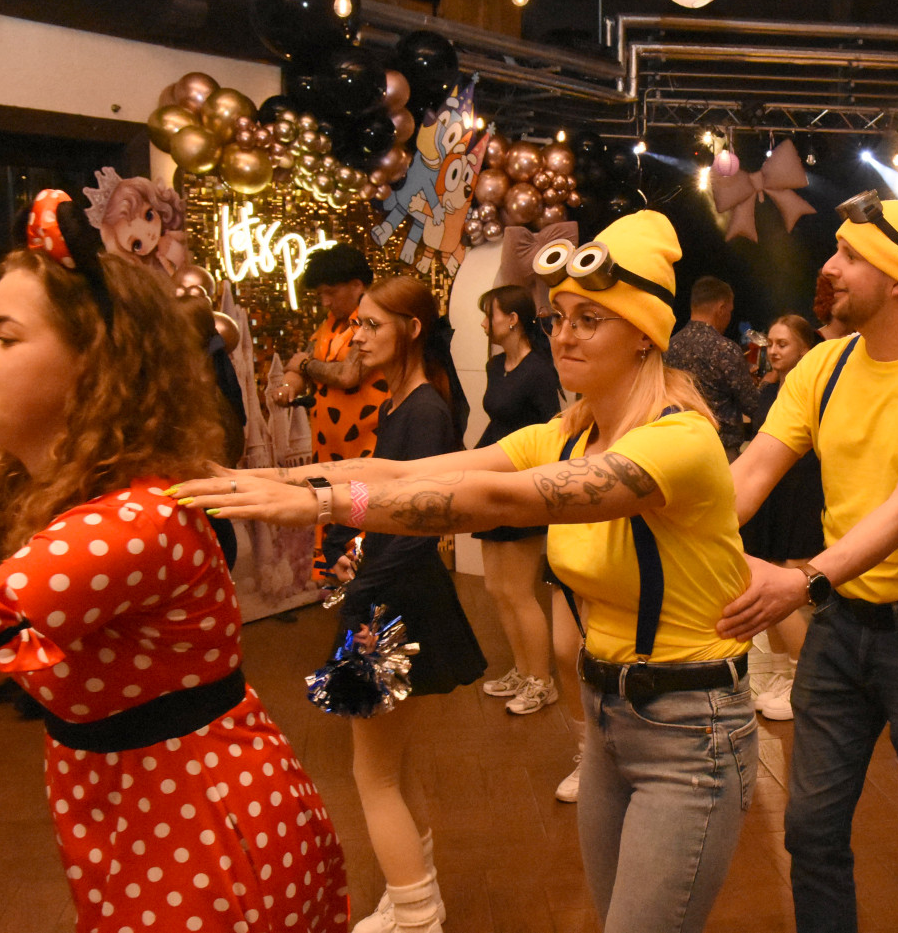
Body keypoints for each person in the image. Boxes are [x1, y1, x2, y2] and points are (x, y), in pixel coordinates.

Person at [170, 210, 757, 933]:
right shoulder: (570, 434)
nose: (564, 335)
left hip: (690, 726)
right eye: (559, 318)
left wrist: (325, 504)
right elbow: (407, 470)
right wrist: (269, 480)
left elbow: (493, 498)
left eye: (590, 320)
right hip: (608, 714)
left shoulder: (680, 440)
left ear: (644, 333)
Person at [0, 230, 349, 932]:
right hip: (128, 818)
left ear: (96, 365)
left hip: (205, 837)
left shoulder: (132, 523)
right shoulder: (19, 482)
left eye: (6, 337)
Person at [724, 190, 898, 933]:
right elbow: (749, 476)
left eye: (850, 255)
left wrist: (804, 578)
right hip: (841, 628)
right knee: (809, 829)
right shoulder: (823, 365)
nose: (829, 266)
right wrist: (669, 538)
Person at [330, 275, 486, 933]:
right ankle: (414, 898)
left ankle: (418, 914)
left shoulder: (424, 410)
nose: (357, 337)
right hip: (386, 593)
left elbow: (422, 525)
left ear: (412, 329)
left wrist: (361, 584)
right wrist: (354, 547)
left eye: (371, 325)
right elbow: (384, 501)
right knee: (391, 766)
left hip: (390, 606)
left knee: (374, 775)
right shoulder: (401, 406)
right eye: (357, 324)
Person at [275, 244, 391, 581]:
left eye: (330, 292)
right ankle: (338, 585)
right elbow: (300, 361)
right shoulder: (329, 325)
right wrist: (290, 383)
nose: (325, 301)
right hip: (329, 447)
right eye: (320, 295)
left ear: (357, 285)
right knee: (331, 518)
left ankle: (362, 587)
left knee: (361, 522)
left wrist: (305, 366)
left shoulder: (371, 322)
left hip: (365, 443)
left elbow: (347, 375)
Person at [472, 284, 563, 716]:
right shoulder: (495, 365)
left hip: (524, 486)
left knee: (520, 590)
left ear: (511, 320)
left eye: (489, 314)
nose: (483, 323)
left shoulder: (540, 370)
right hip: (493, 480)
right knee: (496, 587)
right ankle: (523, 670)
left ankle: (542, 681)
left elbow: (553, 428)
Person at [738, 314, 823, 721]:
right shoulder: (770, 390)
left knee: (787, 581)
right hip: (770, 494)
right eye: (770, 343)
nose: (772, 351)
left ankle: (803, 679)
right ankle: (782, 674)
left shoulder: (813, 389)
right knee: (766, 576)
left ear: (805, 349)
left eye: (782, 344)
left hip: (801, 492)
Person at [663, 275, 761, 459]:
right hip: (719, 452)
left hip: (677, 450)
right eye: (729, 311)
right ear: (721, 309)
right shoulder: (725, 349)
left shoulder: (669, 347)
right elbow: (753, 405)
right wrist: (767, 384)